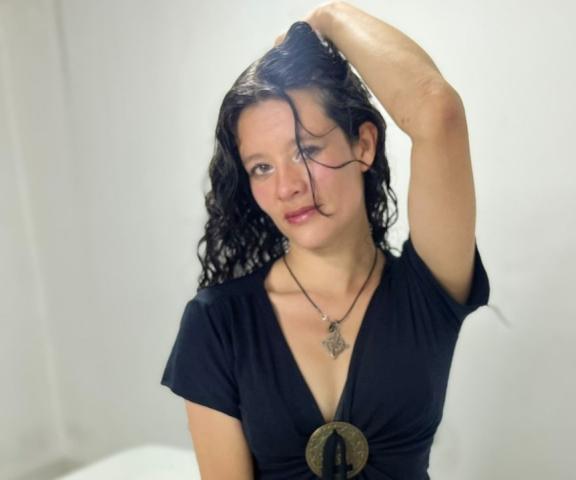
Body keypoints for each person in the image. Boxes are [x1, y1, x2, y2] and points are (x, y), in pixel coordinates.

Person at [161, 2, 491, 479]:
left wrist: (328, 18)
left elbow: (436, 110)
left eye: (306, 150)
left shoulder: (426, 289)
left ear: (364, 145)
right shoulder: (218, 323)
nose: (287, 187)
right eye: (262, 167)